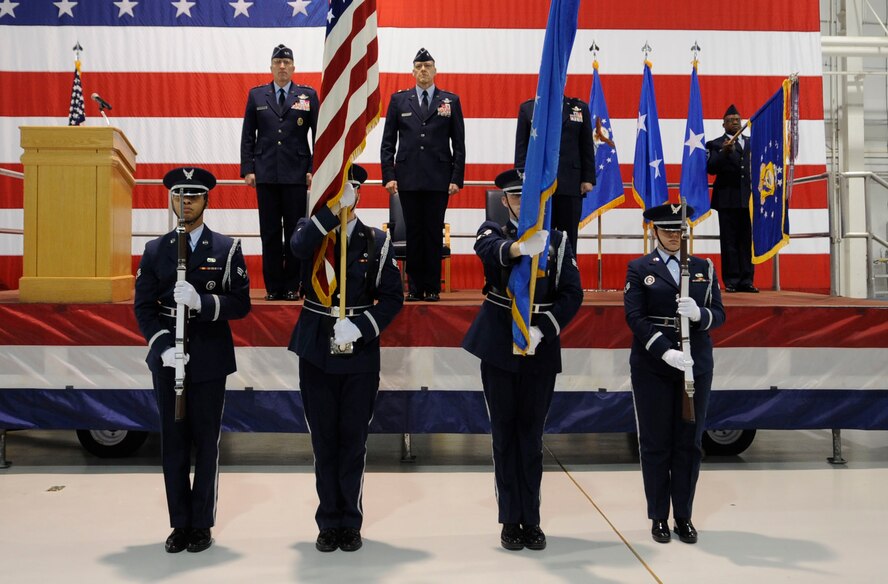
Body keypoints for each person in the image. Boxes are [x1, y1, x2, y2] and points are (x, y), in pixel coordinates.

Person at [462, 168, 583, 551]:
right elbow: (488, 251)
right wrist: (519, 248)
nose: (523, 203)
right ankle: (509, 519)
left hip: (539, 346)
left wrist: (543, 328)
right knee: (504, 435)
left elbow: (571, 293)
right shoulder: (493, 230)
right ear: (505, 201)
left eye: (530, 197)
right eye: (516, 197)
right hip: (498, 342)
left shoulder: (558, 240)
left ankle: (531, 518)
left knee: (531, 437)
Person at [134, 167, 251, 554]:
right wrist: (163, 346)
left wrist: (203, 302)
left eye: (193, 196)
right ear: (170, 199)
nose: (185, 203)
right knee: (173, 444)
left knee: (206, 443)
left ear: (206, 200)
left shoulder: (226, 248)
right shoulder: (155, 250)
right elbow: (143, 308)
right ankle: (179, 523)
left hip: (209, 357)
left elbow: (241, 304)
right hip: (170, 359)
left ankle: (201, 523)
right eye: (179, 196)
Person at [289, 164, 404, 553]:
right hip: (316, 348)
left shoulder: (375, 241)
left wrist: (363, 326)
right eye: (337, 188)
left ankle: (350, 521)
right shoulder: (312, 232)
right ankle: (328, 522)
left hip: (358, 351)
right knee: (324, 441)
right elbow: (298, 251)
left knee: (353, 440)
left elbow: (392, 298)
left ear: (359, 192)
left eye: (350, 188)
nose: (344, 194)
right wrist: (326, 214)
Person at [623, 202, 726, 545]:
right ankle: (658, 517)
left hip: (695, 362)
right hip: (654, 363)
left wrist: (699, 315)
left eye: (678, 230)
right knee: (655, 443)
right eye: (667, 230)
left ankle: (683, 515)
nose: (673, 236)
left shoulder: (703, 267)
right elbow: (635, 317)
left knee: (689, 443)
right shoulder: (640, 268)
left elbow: (719, 314)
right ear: (654, 231)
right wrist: (664, 349)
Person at [380, 47, 466, 302]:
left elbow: (459, 144)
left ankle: (432, 287)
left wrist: (456, 177)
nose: (423, 70)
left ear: (435, 70)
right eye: (418, 66)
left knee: (433, 231)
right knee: (414, 232)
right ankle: (415, 287)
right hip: (407, 177)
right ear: (412, 71)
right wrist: (388, 175)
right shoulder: (399, 101)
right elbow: (388, 143)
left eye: (427, 66)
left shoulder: (450, 101)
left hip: (439, 178)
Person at [240, 43, 319, 301]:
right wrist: (248, 169)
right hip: (265, 174)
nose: (282, 66)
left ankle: (292, 286)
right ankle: (274, 287)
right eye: (278, 62)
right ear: (271, 67)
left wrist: (313, 168)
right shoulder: (257, 95)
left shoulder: (307, 96)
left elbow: (318, 136)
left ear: (294, 67)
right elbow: (247, 136)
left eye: (287, 62)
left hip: (296, 174)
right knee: (270, 233)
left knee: (295, 233)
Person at [514, 95, 596, 254]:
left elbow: (586, 146)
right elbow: (521, 148)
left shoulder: (578, 108)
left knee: (569, 237)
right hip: (539, 185)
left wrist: (588, 178)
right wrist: (521, 179)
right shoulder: (529, 108)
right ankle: (541, 276)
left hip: (570, 184)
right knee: (540, 235)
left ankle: (567, 275)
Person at [705, 104, 757, 293]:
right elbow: (711, 169)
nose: (735, 123)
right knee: (729, 242)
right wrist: (724, 153)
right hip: (727, 200)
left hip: (748, 200)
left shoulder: (753, 142)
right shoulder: (715, 144)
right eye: (730, 120)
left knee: (746, 242)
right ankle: (732, 281)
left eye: (737, 120)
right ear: (723, 124)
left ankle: (747, 280)